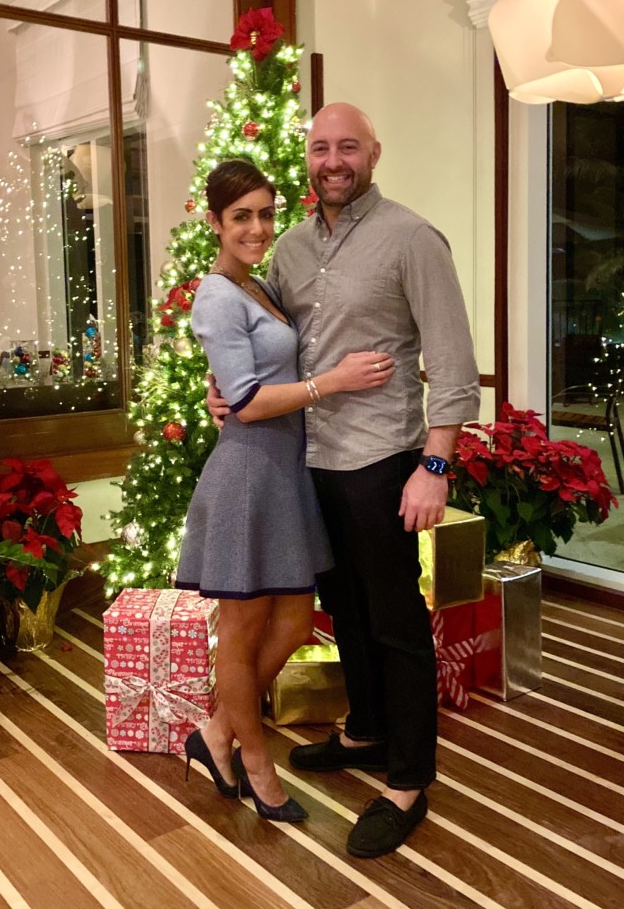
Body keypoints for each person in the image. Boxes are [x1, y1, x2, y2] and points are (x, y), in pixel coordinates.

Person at [208, 105, 480, 858]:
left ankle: (408, 778)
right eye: (321, 147)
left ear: (373, 154)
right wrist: (220, 387)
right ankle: (363, 730)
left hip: (383, 460)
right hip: (309, 462)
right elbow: (262, 341)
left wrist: (434, 465)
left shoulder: (412, 238)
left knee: (394, 618)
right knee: (346, 611)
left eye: (348, 146)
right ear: (309, 156)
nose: (333, 159)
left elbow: (452, 362)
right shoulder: (288, 249)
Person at [175, 158, 395, 823]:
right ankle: (257, 765)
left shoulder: (260, 285)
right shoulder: (216, 295)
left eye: (266, 213)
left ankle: (215, 734)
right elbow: (242, 399)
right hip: (249, 475)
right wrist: (332, 382)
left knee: (297, 622)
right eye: (241, 216)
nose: (257, 227)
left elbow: (242, 384)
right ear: (213, 221)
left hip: (287, 472)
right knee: (241, 632)